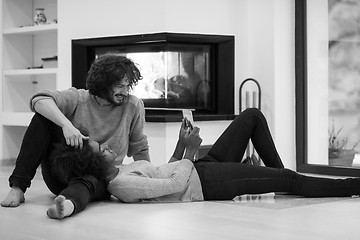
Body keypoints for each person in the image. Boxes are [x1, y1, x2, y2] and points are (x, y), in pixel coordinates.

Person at [48, 108, 360, 217]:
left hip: (202, 167)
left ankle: (279, 176)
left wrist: (183, 145)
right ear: (92, 164)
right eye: (99, 148)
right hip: (208, 183)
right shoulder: (122, 185)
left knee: (251, 117)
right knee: (290, 180)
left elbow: (165, 169)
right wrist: (191, 154)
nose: (106, 146)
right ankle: (351, 186)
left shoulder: (123, 169)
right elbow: (174, 184)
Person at [1, 52, 150, 217]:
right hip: (62, 173)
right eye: (120, 86)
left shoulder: (133, 106)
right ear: (104, 83)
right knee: (43, 117)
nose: (125, 91)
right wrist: (66, 125)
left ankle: (66, 205)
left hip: (101, 177)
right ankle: (18, 188)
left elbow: (139, 147)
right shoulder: (78, 98)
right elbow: (39, 100)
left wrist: (147, 181)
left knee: (91, 180)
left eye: (128, 86)